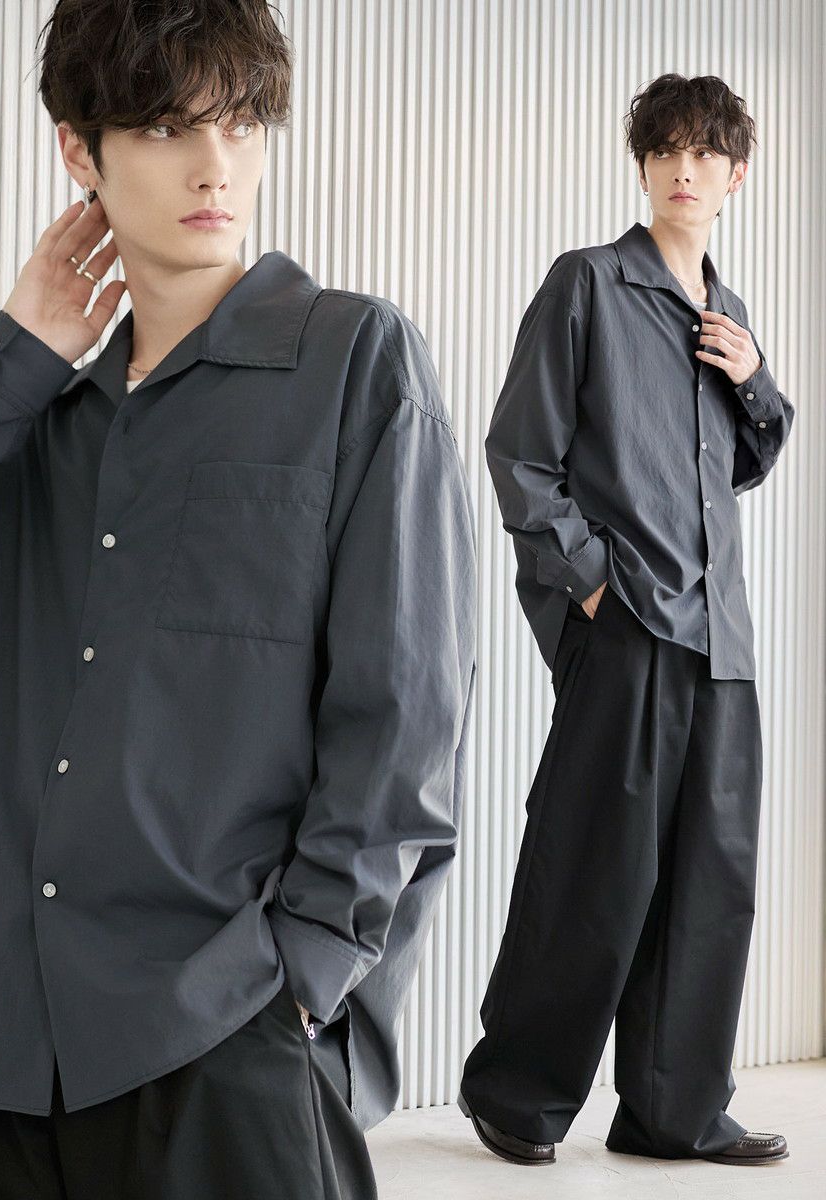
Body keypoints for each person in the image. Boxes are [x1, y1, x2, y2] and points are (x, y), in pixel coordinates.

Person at [0, 2, 477, 1196]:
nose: (215, 166)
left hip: (226, 1030)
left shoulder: (352, 362)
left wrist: (304, 977)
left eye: (241, 123)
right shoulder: (32, 427)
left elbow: (407, 710)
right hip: (25, 1048)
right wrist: (17, 356)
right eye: (168, 128)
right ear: (79, 151)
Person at [457, 73, 794, 1168]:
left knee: (712, 883)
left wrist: (756, 381)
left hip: (722, 639)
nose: (684, 169)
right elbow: (521, 456)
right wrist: (594, 587)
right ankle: (516, 1096)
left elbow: (741, 464)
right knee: (592, 867)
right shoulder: (588, 286)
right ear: (643, 164)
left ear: (736, 174)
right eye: (666, 150)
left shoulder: (728, 319)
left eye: (705, 153)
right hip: (632, 626)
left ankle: (673, 1111)